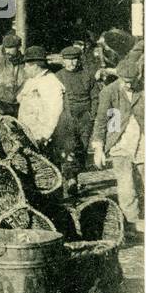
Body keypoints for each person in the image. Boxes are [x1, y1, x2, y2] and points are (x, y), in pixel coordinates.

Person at [91, 57, 144, 238]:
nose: (129, 86)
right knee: (126, 184)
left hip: (144, 140)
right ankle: (132, 223)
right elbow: (102, 121)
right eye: (125, 82)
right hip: (120, 142)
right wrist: (99, 148)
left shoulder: (145, 88)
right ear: (119, 77)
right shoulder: (109, 92)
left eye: (133, 82)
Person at [55, 44, 98, 191]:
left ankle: (75, 175)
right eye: (68, 60)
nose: (72, 63)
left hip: (85, 118)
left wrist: (92, 115)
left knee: (82, 148)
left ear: (79, 60)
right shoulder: (58, 77)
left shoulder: (87, 76)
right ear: (63, 61)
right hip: (66, 117)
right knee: (68, 148)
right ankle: (71, 178)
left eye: (74, 60)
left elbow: (95, 97)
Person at [16, 46, 65, 160]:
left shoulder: (49, 82)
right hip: (29, 132)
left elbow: (54, 111)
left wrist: (45, 135)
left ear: (36, 66)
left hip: (40, 137)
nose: (24, 69)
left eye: (27, 66)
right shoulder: (32, 80)